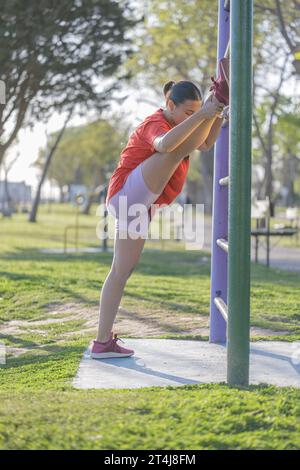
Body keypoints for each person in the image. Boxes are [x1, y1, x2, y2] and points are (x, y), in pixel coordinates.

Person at [90, 60, 229, 359]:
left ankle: (102, 342)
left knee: (121, 271)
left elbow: (205, 143)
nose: (190, 119)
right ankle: (216, 100)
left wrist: (215, 113)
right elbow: (167, 145)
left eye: (195, 113)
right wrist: (207, 110)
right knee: (176, 147)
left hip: (138, 206)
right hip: (126, 194)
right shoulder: (156, 122)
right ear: (169, 104)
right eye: (187, 113)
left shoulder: (181, 125)